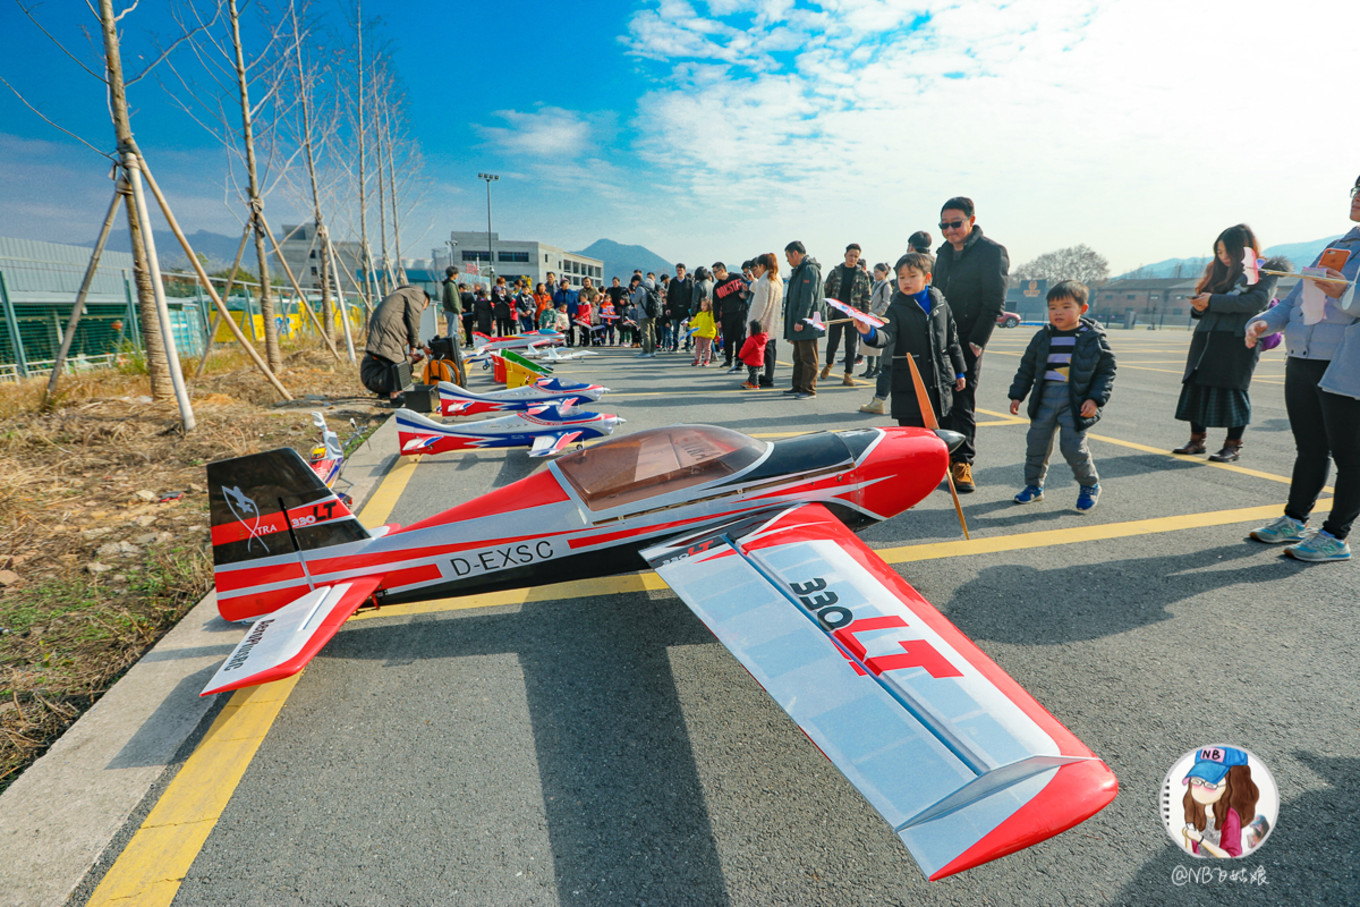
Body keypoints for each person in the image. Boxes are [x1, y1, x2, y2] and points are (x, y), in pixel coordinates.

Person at [1244, 176, 1360, 562]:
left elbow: (1349, 298)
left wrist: (1345, 290)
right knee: (1310, 448)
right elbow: (1291, 300)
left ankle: (1335, 535)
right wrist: (1263, 323)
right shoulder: (1335, 247)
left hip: (1346, 367)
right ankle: (1295, 520)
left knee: (1351, 457)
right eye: (1357, 190)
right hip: (1304, 358)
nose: (1358, 197)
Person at [1172, 225, 1281, 462]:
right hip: (1207, 336)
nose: (1223, 258)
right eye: (1219, 252)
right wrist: (1200, 306)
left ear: (1242, 250)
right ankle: (1196, 440)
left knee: (1233, 390)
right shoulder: (1218, 270)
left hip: (1238, 339)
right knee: (1196, 385)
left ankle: (1233, 445)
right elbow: (1210, 305)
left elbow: (1256, 302)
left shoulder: (1266, 271)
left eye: (1227, 252)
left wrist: (1213, 301)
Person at [1006, 280, 1117, 513]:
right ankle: (1033, 487)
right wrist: (1017, 395)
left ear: (1082, 309)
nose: (1058, 312)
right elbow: (1026, 367)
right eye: (1053, 307)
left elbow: (1106, 371)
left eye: (1066, 307)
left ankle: (1089, 484)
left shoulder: (1092, 338)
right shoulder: (1043, 337)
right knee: (1036, 445)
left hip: (1076, 401)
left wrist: (1095, 399)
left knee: (1073, 447)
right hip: (1045, 398)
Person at [933, 197, 1009, 492]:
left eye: (956, 223)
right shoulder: (942, 254)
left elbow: (994, 302)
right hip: (938, 337)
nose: (950, 230)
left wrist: (977, 343)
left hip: (967, 340)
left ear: (971, 220)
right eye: (944, 225)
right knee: (938, 398)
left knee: (962, 400)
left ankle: (962, 462)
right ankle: (938, 459)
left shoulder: (991, 252)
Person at [854, 251, 965, 427]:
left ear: (927, 277)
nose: (906, 281)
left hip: (940, 385)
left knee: (940, 438)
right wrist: (869, 332)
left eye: (912, 276)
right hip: (909, 386)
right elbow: (886, 334)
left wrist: (959, 371)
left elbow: (952, 341)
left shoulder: (941, 304)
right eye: (901, 277)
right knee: (913, 440)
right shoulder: (896, 307)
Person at [1180, 747, 1259, 858]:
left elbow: (1232, 856)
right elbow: (1191, 853)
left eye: (1211, 785)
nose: (1200, 789)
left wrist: (1199, 839)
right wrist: (1188, 837)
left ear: (1231, 785)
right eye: (1196, 781)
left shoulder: (1230, 816)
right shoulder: (1196, 811)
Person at [361, 285, 428, 406]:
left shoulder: (402, 295)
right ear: (426, 301)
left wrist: (422, 346)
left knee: (397, 362)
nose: (422, 310)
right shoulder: (418, 295)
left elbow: (408, 330)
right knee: (397, 363)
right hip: (373, 379)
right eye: (424, 308)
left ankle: (391, 392)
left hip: (382, 324)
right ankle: (395, 395)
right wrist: (413, 350)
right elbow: (413, 322)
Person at [822, 243, 872, 387]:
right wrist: (829, 305)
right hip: (837, 313)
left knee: (851, 345)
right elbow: (827, 291)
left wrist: (864, 315)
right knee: (833, 343)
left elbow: (867, 296)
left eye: (856, 256)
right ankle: (829, 364)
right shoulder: (835, 272)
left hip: (854, 315)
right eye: (851, 255)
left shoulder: (863, 274)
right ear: (845, 255)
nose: (853, 258)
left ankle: (848, 374)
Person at [783, 241, 824, 398]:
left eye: (788, 256)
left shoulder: (809, 270)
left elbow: (808, 297)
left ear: (795, 253)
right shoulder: (799, 270)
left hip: (807, 321)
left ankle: (808, 389)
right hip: (799, 320)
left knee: (808, 356)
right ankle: (798, 386)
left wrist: (801, 319)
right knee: (798, 356)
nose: (787, 260)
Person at [748, 252, 783, 387]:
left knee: (756, 351)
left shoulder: (764, 281)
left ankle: (755, 379)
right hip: (773, 319)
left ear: (762, 265)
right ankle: (769, 376)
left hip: (763, 322)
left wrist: (752, 322)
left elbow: (759, 306)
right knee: (771, 349)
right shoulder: (777, 278)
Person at [713, 262, 749, 370]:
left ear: (722, 270)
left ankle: (739, 361)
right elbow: (715, 304)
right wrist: (717, 319)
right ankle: (728, 360)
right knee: (727, 339)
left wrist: (745, 295)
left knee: (740, 338)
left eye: (715, 272)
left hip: (741, 312)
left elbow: (750, 287)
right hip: (727, 314)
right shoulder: (717, 287)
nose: (714, 274)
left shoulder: (737, 277)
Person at [738, 318, 768, 390]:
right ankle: (750, 382)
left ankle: (754, 384)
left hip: (751, 360)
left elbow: (745, 349)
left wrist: (740, 356)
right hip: (759, 360)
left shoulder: (751, 339)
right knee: (754, 372)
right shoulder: (763, 338)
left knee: (753, 373)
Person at [690, 296, 717, 366]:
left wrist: (717, 327)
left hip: (708, 333)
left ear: (709, 306)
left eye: (704, 305)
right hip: (699, 333)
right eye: (702, 305)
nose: (702, 307)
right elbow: (695, 322)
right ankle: (697, 359)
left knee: (707, 348)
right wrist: (688, 324)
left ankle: (706, 360)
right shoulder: (699, 314)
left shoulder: (711, 314)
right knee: (698, 347)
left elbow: (714, 323)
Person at [440, 266, 461, 337]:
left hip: (449, 310)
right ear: (454, 274)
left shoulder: (447, 284)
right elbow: (454, 299)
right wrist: (458, 311)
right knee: (453, 331)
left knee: (452, 329)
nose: (457, 275)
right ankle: (453, 346)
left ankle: (452, 345)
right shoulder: (451, 285)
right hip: (452, 310)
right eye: (457, 273)